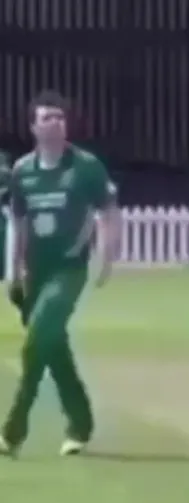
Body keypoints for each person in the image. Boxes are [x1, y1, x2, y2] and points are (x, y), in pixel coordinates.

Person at [1, 90, 122, 457]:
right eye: (46, 118)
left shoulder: (85, 166)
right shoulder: (23, 170)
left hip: (69, 270)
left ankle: (12, 430)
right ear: (33, 127)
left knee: (37, 341)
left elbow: (108, 212)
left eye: (60, 117)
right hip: (35, 272)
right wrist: (13, 272)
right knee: (53, 347)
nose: (55, 122)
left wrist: (105, 257)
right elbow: (18, 223)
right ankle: (80, 424)